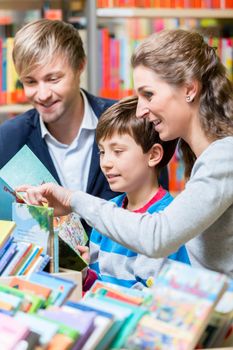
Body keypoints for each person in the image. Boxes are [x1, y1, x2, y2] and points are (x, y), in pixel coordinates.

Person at [17, 29, 233, 278]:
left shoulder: (223, 157)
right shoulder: (206, 157)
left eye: (148, 94)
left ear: (189, 89)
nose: (140, 110)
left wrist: (71, 199)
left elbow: (157, 236)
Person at [0, 19, 169, 235]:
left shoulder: (130, 122)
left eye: (53, 79)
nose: (42, 95)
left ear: (80, 65)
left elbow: (155, 204)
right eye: (30, 82)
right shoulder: (8, 140)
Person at [78, 96, 189, 291]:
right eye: (102, 152)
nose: (106, 163)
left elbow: (165, 299)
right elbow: (100, 285)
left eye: (118, 151)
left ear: (153, 155)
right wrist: (85, 276)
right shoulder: (105, 214)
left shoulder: (169, 220)